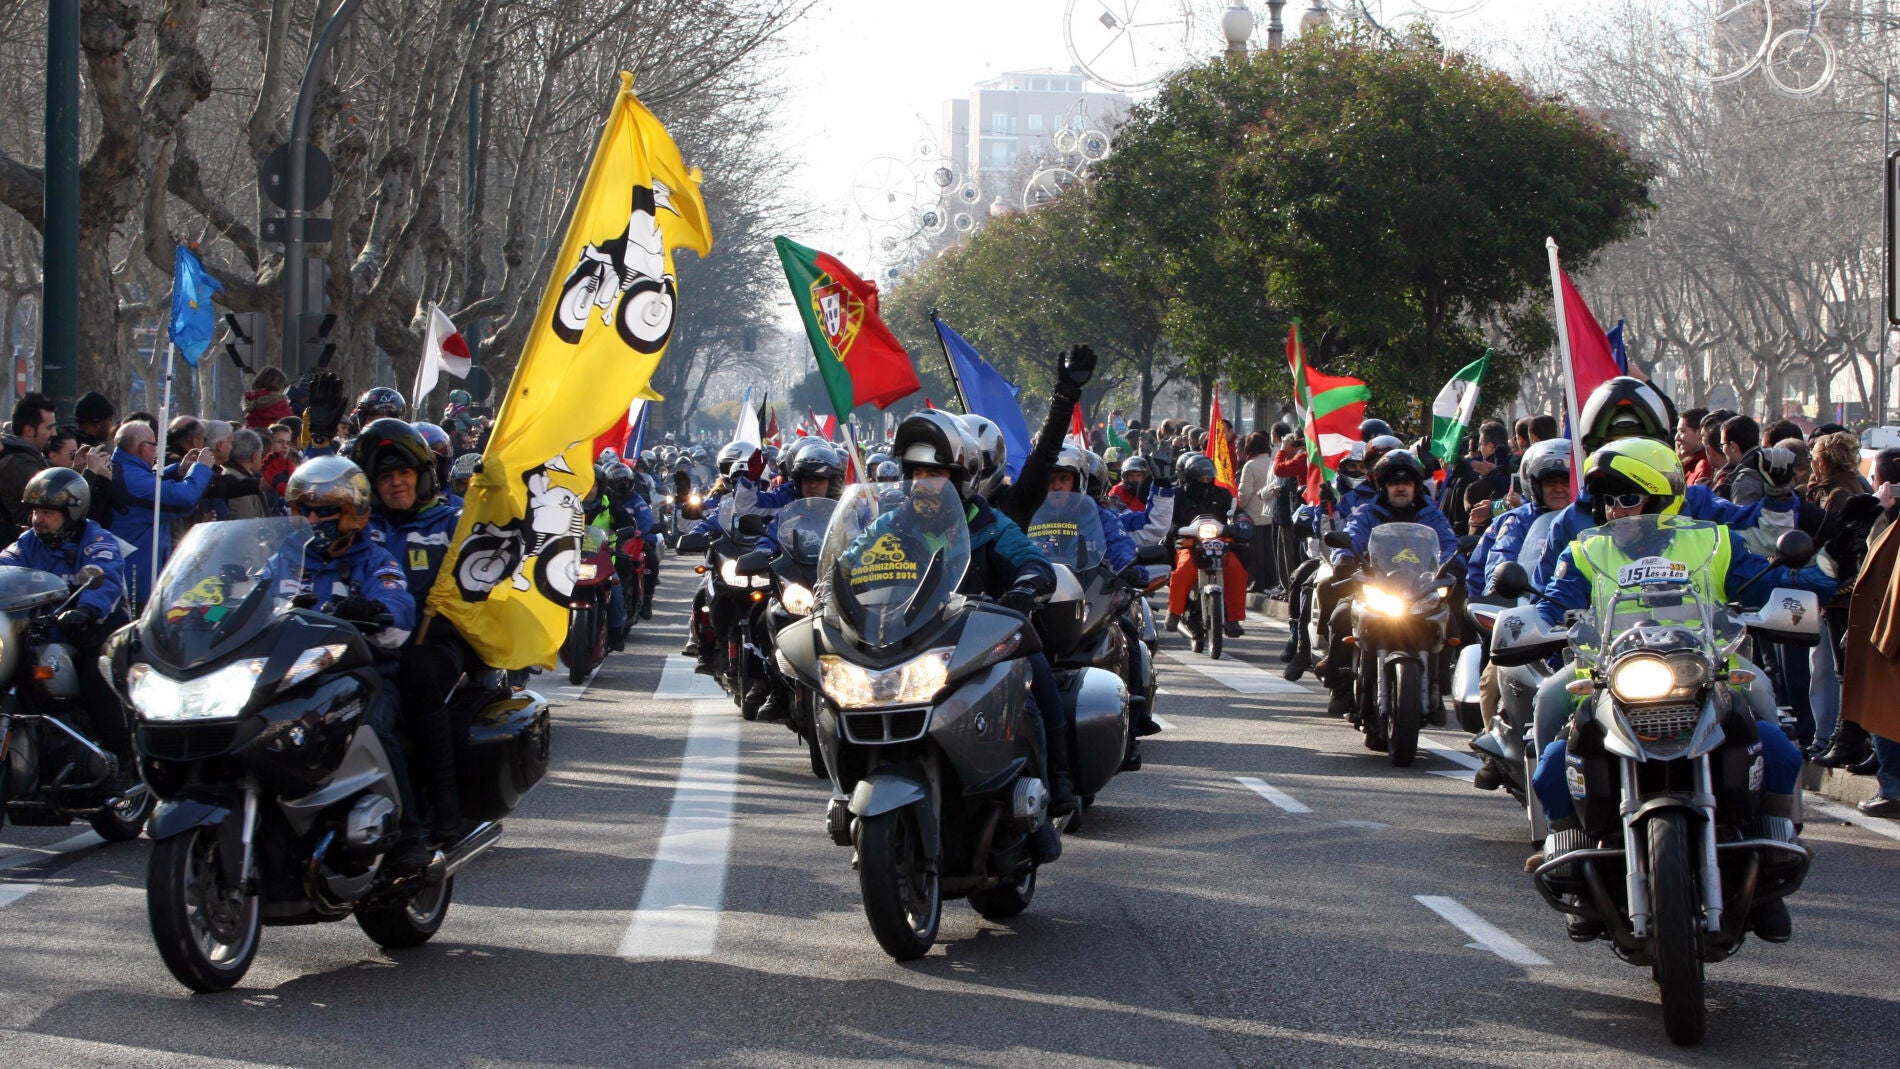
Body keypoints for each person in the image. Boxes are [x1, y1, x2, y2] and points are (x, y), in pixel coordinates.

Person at [1527, 440, 1836, 942]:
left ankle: (1773, 865)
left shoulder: (1714, 541)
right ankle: (1566, 852)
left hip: (1710, 669)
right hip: (1611, 671)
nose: (1613, 510)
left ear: (1662, 497)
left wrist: (1804, 590)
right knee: (1549, 733)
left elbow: (1764, 584)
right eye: (1606, 500)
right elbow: (1552, 604)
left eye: (1627, 498)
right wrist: (1537, 625)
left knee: (1776, 742)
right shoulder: (1584, 549)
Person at [880, 412, 1068, 857]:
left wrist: (1025, 586)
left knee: (1037, 681)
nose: (926, 482)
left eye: (937, 473)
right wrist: (826, 589)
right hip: (911, 645)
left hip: (979, 641)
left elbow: (1031, 560)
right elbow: (850, 561)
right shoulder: (893, 524)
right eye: (918, 473)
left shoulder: (988, 524)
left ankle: (1053, 789)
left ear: (961, 478)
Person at [268, 455, 429, 868]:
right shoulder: (283, 556)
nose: (312, 518)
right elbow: (245, 594)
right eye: (304, 509)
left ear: (354, 513)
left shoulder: (375, 559)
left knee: (373, 728)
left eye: (325, 511)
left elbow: (398, 608)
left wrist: (375, 608)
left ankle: (409, 837)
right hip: (289, 675)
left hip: (360, 672)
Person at [350, 422, 470, 852]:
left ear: (421, 475)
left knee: (417, 676)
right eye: (384, 477)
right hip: (367, 640)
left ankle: (444, 806)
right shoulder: (358, 525)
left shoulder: (456, 520)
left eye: (403, 474)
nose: (395, 483)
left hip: (435, 640)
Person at [0, 467, 134, 782]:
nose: (38, 519)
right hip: (44, 629)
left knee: (96, 675)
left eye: (47, 512)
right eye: (35, 511)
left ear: (71, 512)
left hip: (95, 627)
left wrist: (86, 610)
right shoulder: (27, 543)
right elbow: (5, 567)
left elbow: (106, 575)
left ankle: (124, 760)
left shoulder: (97, 539)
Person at [1320, 450, 1462, 714]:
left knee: (1450, 622)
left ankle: (1439, 686)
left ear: (1415, 486)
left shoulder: (1431, 514)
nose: (1400, 488)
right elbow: (1352, 535)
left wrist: (1454, 561)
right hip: (1377, 587)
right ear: (1384, 486)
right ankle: (1340, 684)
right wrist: (1344, 558)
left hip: (1420, 589)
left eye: (1406, 483)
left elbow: (1448, 542)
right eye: (1394, 483)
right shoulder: (1368, 512)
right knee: (1341, 616)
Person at [1835, 448, 1900, 808]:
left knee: (1886, 714)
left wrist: (1884, 641)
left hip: (1887, 639)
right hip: (1881, 634)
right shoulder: (1883, 518)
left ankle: (1892, 789)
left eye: (1874, 479)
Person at [106, 420, 212, 607]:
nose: (157, 450)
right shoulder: (132, 480)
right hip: (136, 584)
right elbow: (185, 499)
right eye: (154, 444)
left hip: (143, 575)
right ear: (141, 448)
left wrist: (179, 471)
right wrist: (202, 468)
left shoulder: (126, 469)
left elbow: (152, 481)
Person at [1166, 453, 1248, 640]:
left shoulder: (1223, 494)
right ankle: (1174, 611)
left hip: (1219, 545)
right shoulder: (1176, 495)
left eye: (1208, 478)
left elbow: (1239, 513)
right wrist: (1175, 529)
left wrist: (1242, 524)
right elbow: (1165, 520)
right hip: (1188, 545)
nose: (1205, 481)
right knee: (1183, 570)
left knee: (1236, 569)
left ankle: (1233, 618)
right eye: (1200, 478)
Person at [0, 392, 56, 545]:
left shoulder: (29, 457)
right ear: (29, 430)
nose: (54, 433)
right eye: (49, 428)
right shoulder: (19, 463)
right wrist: (90, 474)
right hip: (20, 552)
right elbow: (55, 497)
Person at [1237, 431, 1278, 594]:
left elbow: (1245, 492)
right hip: (1270, 512)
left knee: (1256, 551)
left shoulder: (1250, 465)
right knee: (1270, 550)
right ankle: (1271, 581)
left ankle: (1258, 582)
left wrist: (1240, 506)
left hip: (1253, 514)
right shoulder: (1272, 462)